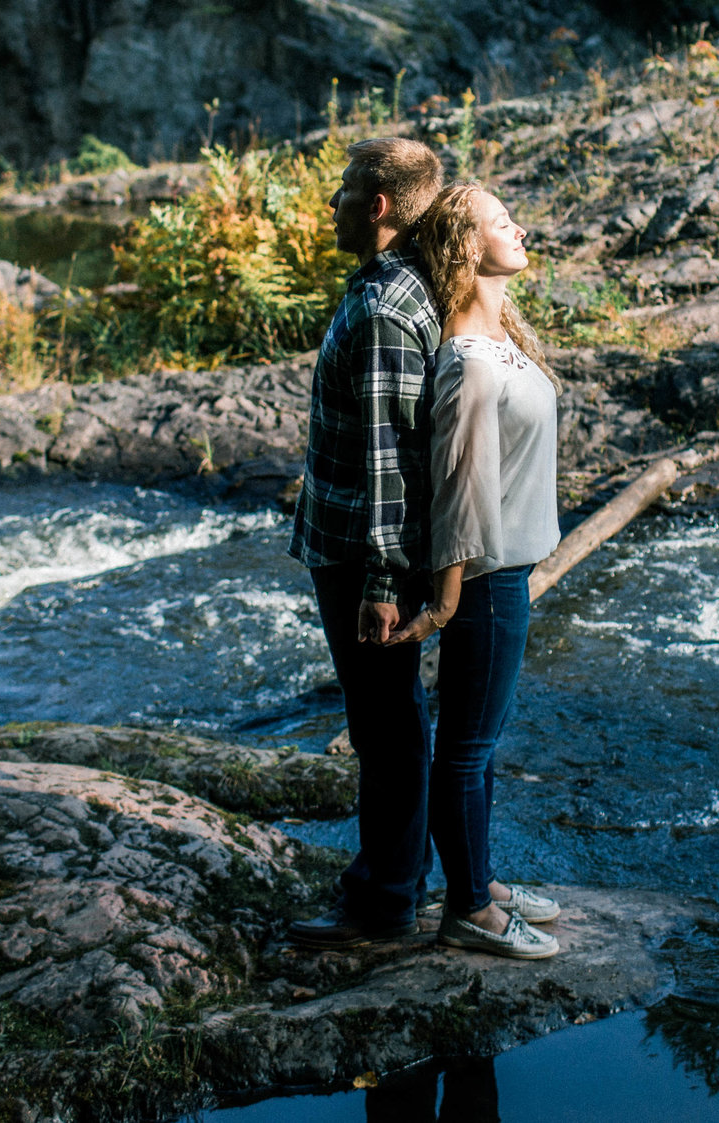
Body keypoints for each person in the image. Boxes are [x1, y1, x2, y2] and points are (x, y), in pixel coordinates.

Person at [391, 182, 564, 958]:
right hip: (487, 583)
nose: (519, 228)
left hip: (508, 574)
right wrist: (446, 601)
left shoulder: (499, 342)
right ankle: (468, 908)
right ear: (466, 245)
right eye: (502, 222)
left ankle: (480, 880)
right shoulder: (469, 361)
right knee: (464, 749)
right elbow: (458, 489)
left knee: (479, 746)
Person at [286, 136, 446, 948]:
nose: (334, 201)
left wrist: (384, 581)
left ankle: (384, 904)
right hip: (357, 544)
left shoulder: (384, 311)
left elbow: (391, 460)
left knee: (384, 726)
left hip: (360, 551)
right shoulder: (398, 288)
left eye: (345, 188)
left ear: (377, 206)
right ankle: (397, 883)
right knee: (394, 719)